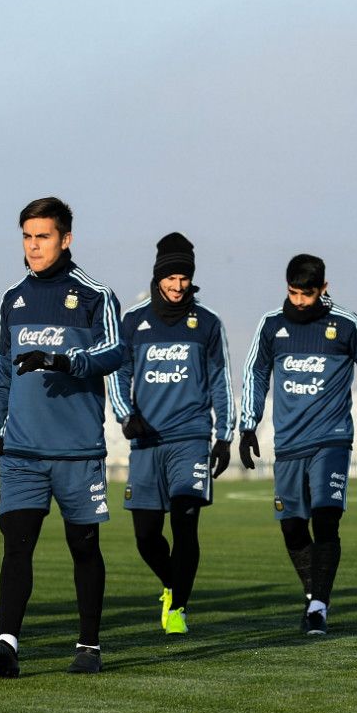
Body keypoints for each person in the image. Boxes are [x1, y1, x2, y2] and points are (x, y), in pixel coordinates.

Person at [0, 197, 124, 677]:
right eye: (27, 237)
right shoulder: (13, 298)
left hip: (77, 452)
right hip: (23, 451)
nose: (33, 247)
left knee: (83, 545)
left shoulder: (95, 294)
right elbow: (0, 375)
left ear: (66, 239)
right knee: (16, 543)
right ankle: (8, 646)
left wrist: (64, 361)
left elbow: (115, 351)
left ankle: (89, 646)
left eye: (43, 237)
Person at [237, 254, 357, 635]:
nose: (299, 301)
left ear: (324, 289)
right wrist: (247, 426)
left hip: (332, 440)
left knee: (326, 518)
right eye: (293, 293)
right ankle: (313, 592)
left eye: (307, 294)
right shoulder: (271, 326)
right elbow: (255, 374)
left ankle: (318, 606)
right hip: (289, 446)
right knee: (292, 528)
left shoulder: (346, 325)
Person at [110, 232, 233, 635]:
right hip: (146, 441)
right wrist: (126, 414)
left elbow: (220, 381)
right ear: (158, 276)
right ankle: (171, 583)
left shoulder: (208, 323)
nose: (178, 286)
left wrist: (225, 436)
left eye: (185, 278)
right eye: (172, 278)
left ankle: (178, 608)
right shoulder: (134, 321)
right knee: (146, 537)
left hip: (191, 439)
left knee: (185, 522)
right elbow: (118, 371)